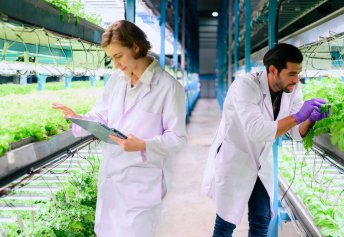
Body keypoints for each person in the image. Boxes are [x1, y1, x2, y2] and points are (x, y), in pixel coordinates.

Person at [52, 20, 187, 237]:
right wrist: (78, 118)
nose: (115, 65)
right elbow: (101, 115)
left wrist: (143, 144)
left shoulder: (168, 87)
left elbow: (178, 138)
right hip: (112, 180)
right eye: (111, 58)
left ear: (135, 46)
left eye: (118, 56)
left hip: (141, 186)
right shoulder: (117, 80)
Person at [202, 43, 329, 237]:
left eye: (299, 74)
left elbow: (295, 132)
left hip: (262, 162)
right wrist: (298, 116)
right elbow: (256, 131)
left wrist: (310, 119)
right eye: (291, 74)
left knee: (261, 221)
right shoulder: (245, 86)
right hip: (235, 159)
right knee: (226, 224)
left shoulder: (293, 89)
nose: (296, 80)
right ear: (273, 70)